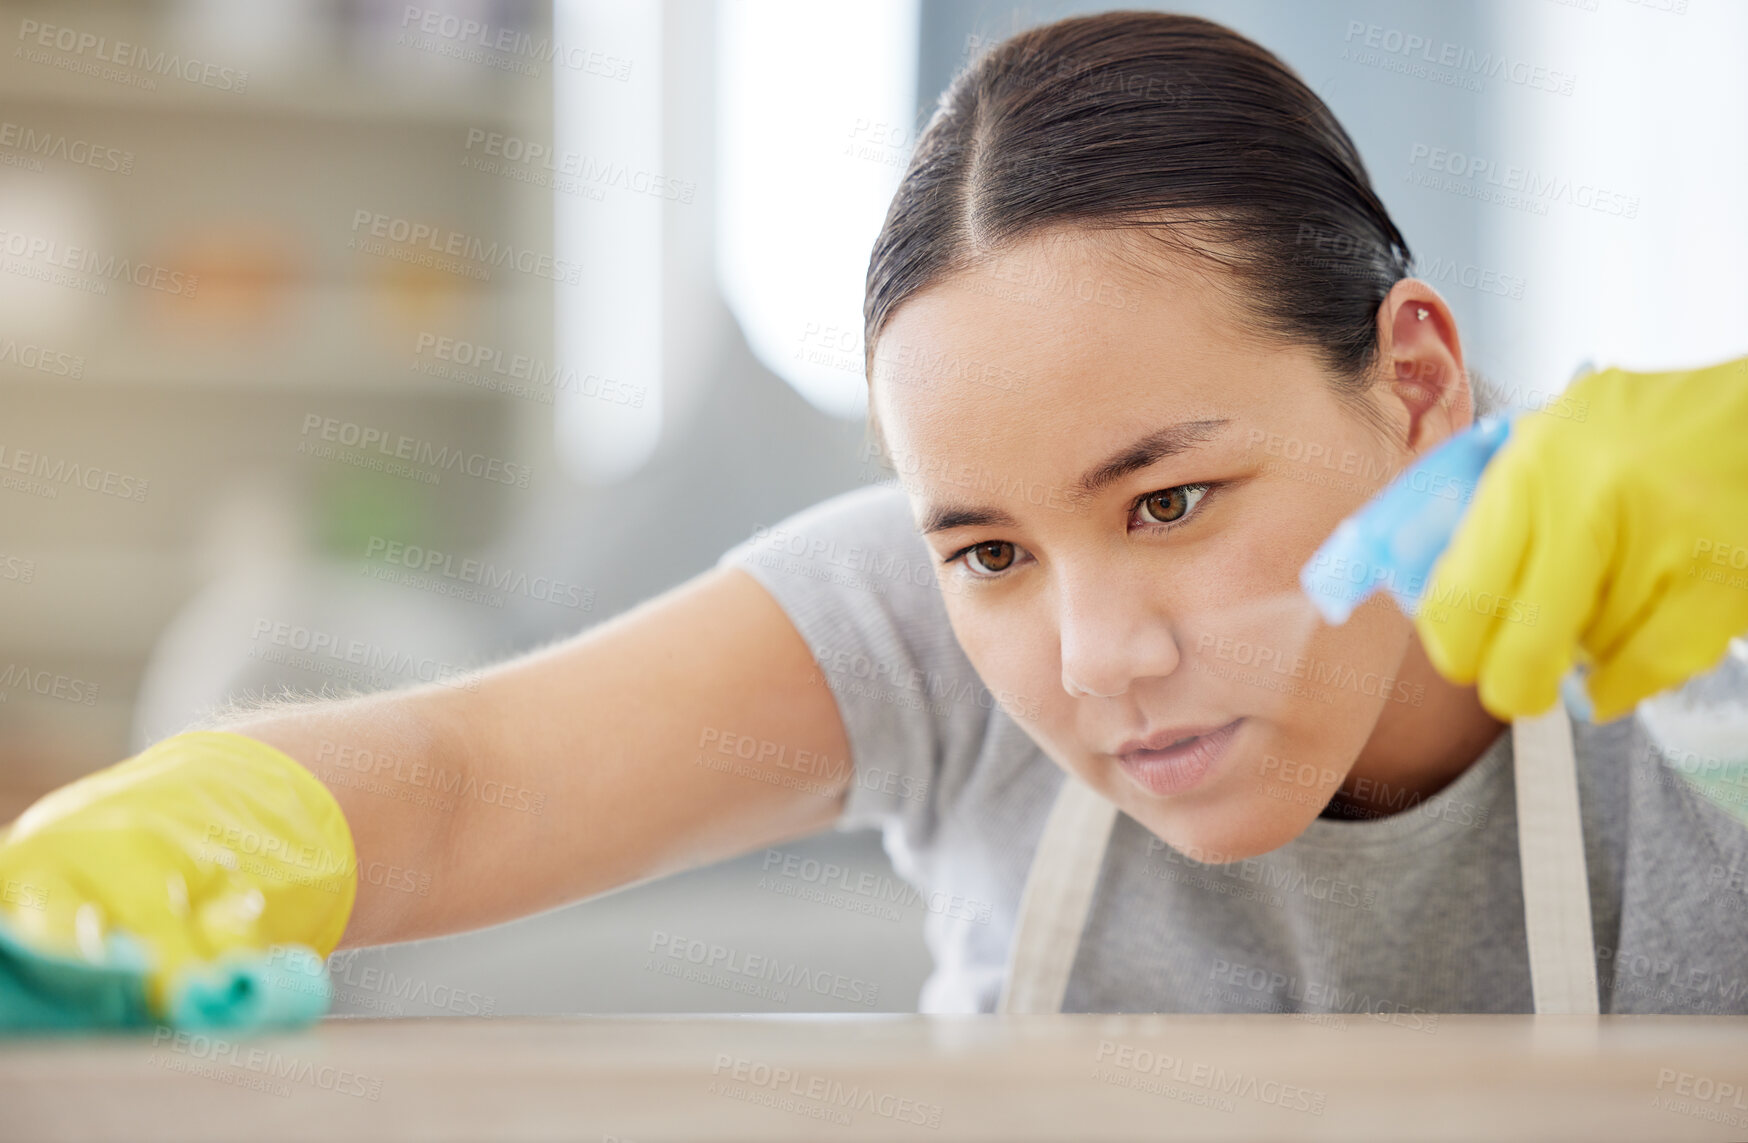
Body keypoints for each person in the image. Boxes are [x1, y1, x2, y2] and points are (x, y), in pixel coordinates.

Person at [4, 10, 1747, 1027]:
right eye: (990, 547)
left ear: (1419, 381)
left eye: (1175, 498)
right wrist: (156, 848)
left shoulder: (1690, 623)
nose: (1094, 657)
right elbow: (475, 788)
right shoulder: (932, 631)